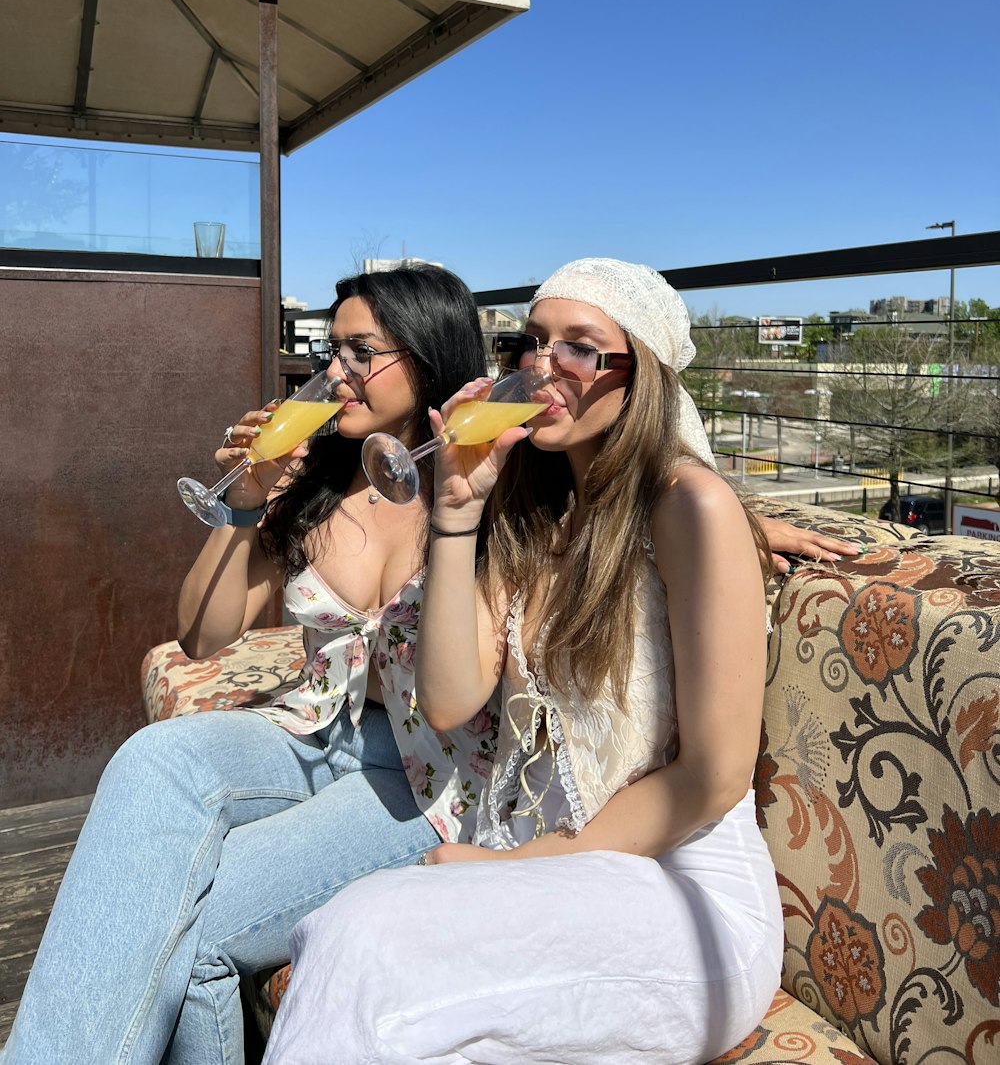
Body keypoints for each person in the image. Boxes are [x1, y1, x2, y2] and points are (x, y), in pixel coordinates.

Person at [261, 259, 788, 1065]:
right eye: (532, 343)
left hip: (682, 897)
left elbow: (714, 776)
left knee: (358, 934)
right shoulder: (530, 515)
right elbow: (447, 701)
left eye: (580, 348)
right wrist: (457, 512)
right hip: (554, 878)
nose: (543, 367)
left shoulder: (690, 506)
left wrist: (519, 864)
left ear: (637, 373)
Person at [1, 264, 501, 1065]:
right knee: (153, 760)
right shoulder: (318, 483)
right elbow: (202, 634)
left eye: (360, 352)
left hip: (424, 777)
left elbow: (626, 488)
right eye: (329, 350)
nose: (333, 373)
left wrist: (745, 526)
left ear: (428, 352)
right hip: (314, 732)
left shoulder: (484, 485)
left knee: (190, 915)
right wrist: (245, 505)